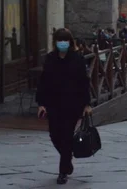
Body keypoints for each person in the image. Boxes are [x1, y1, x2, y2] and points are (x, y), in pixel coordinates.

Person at [37, 28, 92, 185]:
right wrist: (41, 104)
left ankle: (63, 172)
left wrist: (86, 104)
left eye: (65, 40)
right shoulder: (50, 59)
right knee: (54, 135)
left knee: (67, 136)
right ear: (55, 42)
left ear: (70, 42)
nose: (62, 43)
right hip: (54, 103)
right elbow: (43, 82)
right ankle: (67, 160)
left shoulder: (77, 59)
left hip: (72, 104)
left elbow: (84, 82)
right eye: (59, 40)